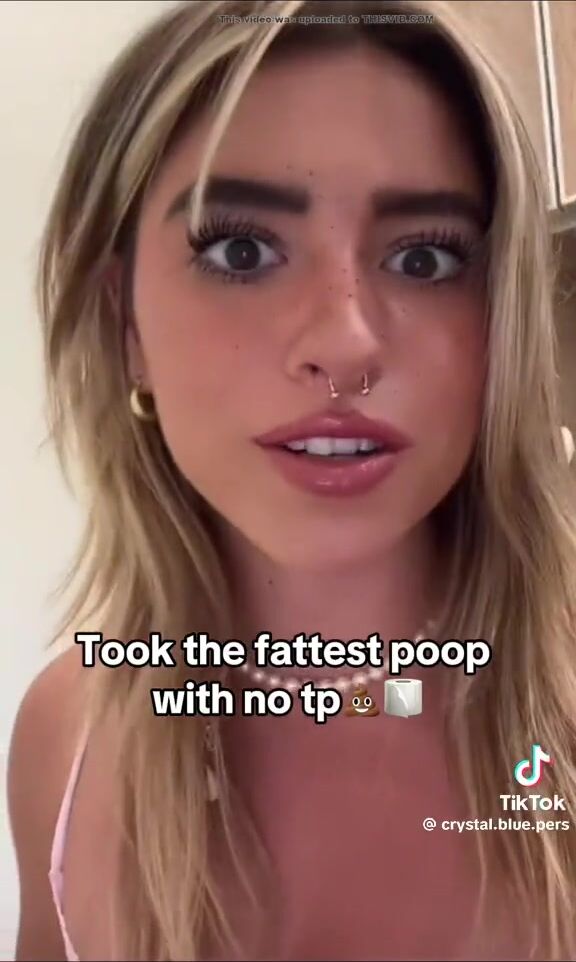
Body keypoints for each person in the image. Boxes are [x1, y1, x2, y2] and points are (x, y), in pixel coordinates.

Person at [7, 0, 576, 959]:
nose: (345, 345)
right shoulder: (64, 739)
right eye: (241, 251)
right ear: (125, 324)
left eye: (426, 256)